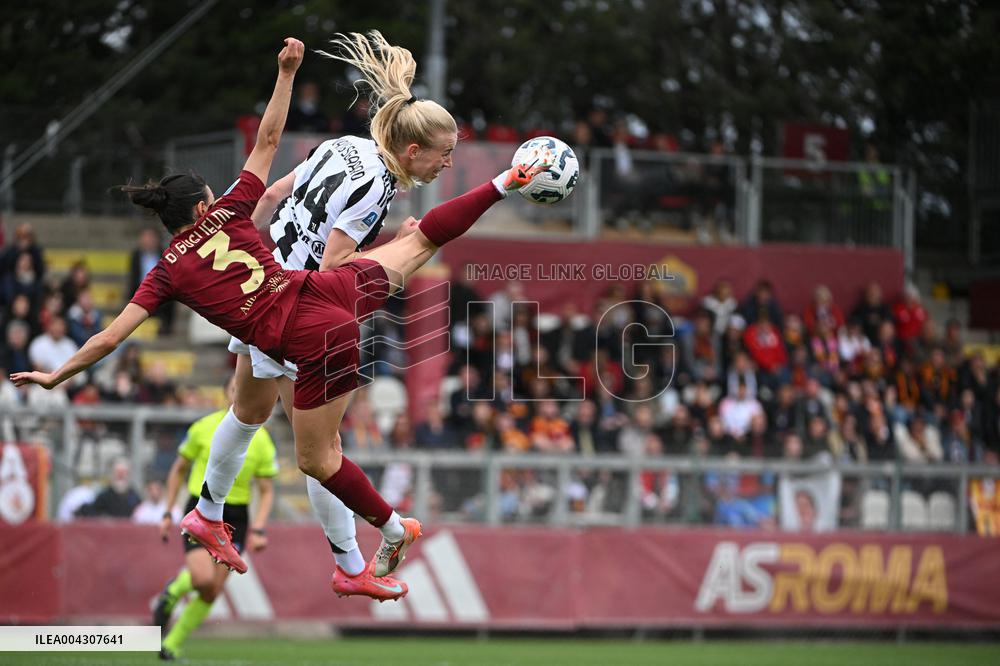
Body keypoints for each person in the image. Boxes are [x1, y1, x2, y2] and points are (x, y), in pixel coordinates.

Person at [10, 35, 548, 582]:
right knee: (319, 449)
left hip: (271, 294)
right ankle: (351, 559)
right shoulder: (335, 166)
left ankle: (215, 517)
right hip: (304, 298)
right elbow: (281, 175)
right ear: (204, 205)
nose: (446, 162)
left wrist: (58, 376)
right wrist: (286, 74)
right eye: (444, 154)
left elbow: (110, 337)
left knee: (248, 414)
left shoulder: (168, 267)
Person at [152, 377, 284, 661]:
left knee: (213, 590)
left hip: (236, 515)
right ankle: (173, 591)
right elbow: (178, 470)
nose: (240, 391)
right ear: (227, 392)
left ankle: (171, 645)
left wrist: (259, 528)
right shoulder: (204, 427)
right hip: (202, 508)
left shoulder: (261, 440)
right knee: (201, 579)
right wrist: (167, 510)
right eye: (235, 387)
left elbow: (266, 489)